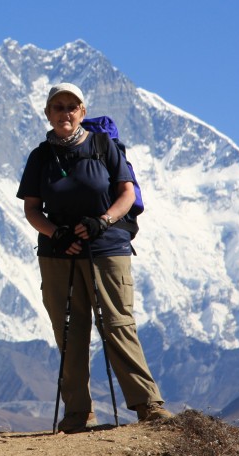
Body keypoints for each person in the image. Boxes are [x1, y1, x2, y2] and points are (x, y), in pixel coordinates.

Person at [16, 82, 172, 433]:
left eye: (72, 106)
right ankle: (78, 412)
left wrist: (102, 221)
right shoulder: (41, 157)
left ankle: (148, 404)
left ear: (83, 112)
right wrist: (56, 234)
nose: (65, 113)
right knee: (70, 332)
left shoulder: (104, 146)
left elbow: (126, 192)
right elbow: (31, 209)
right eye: (58, 107)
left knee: (117, 325)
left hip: (106, 248)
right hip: (58, 254)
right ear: (47, 113)